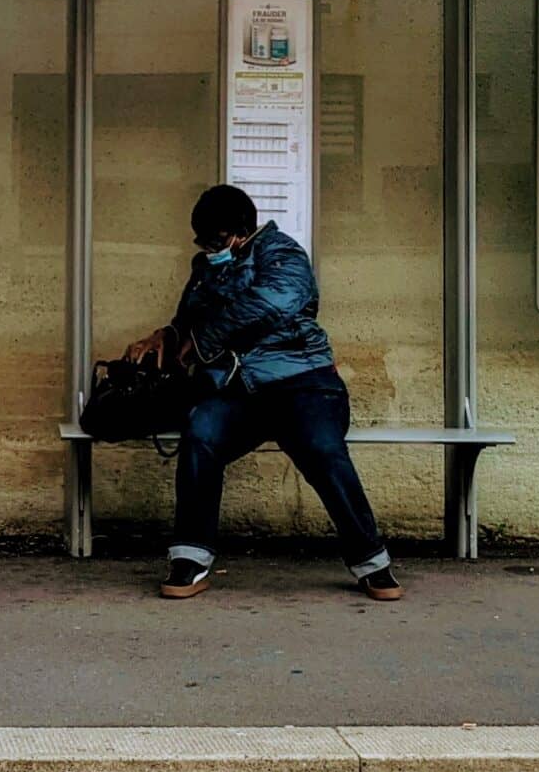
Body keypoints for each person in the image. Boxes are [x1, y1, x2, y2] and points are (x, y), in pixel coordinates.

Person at [123, 184, 402, 603]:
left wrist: (200, 338)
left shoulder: (283, 254)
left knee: (322, 449)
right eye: (201, 240)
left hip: (305, 383)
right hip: (240, 391)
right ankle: (190, 559)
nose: (206, 248)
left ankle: (371, 561)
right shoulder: (205, 269)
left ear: (240, 231)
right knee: (201, 434)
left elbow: (270, 304)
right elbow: (187, 319)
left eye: (214, 240)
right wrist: (167, 335)